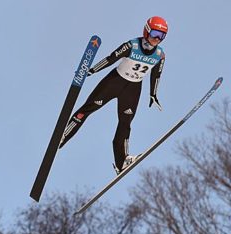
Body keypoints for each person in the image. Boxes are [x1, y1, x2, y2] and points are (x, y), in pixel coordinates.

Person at [59, 16, 168, 174]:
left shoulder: (160, 54)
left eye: (162, 36)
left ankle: (122, 161)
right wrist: (91, 71)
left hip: (133, 89)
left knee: (125, 124)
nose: (157, 39)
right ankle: (63, 135)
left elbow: (156, 74)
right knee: (87, 109)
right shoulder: (132, 45)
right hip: (114, 82)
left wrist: (153, 94)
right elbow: (110, 59)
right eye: (155, 33)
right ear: (147, 31)